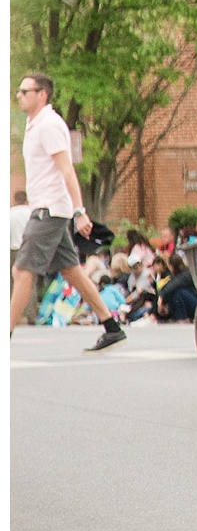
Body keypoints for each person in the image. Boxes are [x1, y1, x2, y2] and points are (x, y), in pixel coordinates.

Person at [8, 73, 126, 350]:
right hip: (47, 208)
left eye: (25, 91)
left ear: (42, 95)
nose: (19, 95)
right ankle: (111, 326)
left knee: (21, 271)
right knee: (72, 271)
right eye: (18, 91)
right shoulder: (34, 124)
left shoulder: (49, 125)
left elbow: (66, 169)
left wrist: (80, 211)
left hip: (49, 210)